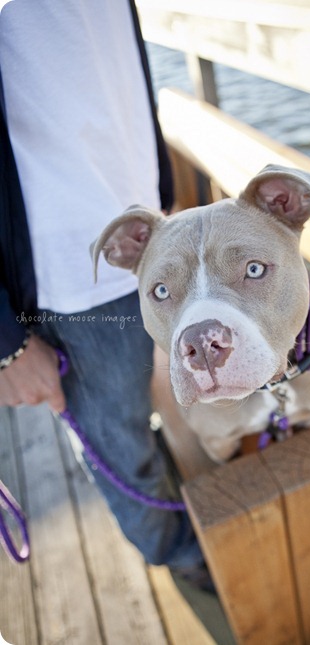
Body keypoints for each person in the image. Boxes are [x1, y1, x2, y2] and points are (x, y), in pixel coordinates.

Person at [0, 0, 208, 586]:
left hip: (144, 227)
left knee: (145, 410)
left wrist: (159, 189)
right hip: (68, 269)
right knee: (118, 439)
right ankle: (180, 554)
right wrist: (6, 344)